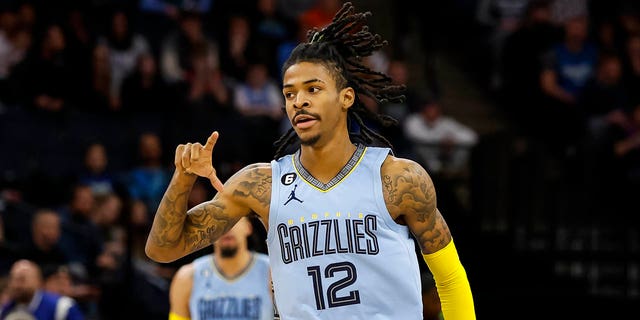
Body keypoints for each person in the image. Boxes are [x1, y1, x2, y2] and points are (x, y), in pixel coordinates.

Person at [145, 2, 475, 319]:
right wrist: (182, 178)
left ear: (346, 97)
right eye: (290, 93)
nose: (299, 101)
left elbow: (450, 278)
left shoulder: (399, 179)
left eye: (313, 89)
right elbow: (163, 249)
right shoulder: (261, 185)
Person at [168, 216, 273, 320]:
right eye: (218, 221)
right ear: (208, 231)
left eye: (233, 220)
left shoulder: (272, 273)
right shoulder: (187, 278)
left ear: (248, 227)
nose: (226, 228)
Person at [0, 259, 85, 320]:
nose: (17, 285)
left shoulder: (62, 307)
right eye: (14, 279)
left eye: (22, 279)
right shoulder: (4, 311)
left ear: (37, 281)